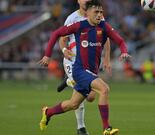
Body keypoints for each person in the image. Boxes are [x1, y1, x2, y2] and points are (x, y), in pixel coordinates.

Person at [38, 0, 131, 135]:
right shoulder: (78, 25)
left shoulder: (104, 26)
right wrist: (47, 55)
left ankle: (48, 112)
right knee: (104, 89)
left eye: (101, 12)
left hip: (92, 71)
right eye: (96, 12)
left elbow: (120, 40)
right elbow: (56, 34)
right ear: (87, 13)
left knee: (74, 104)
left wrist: (124, 51)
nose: (99, 15)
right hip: (80, 70)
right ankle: (106, 128)